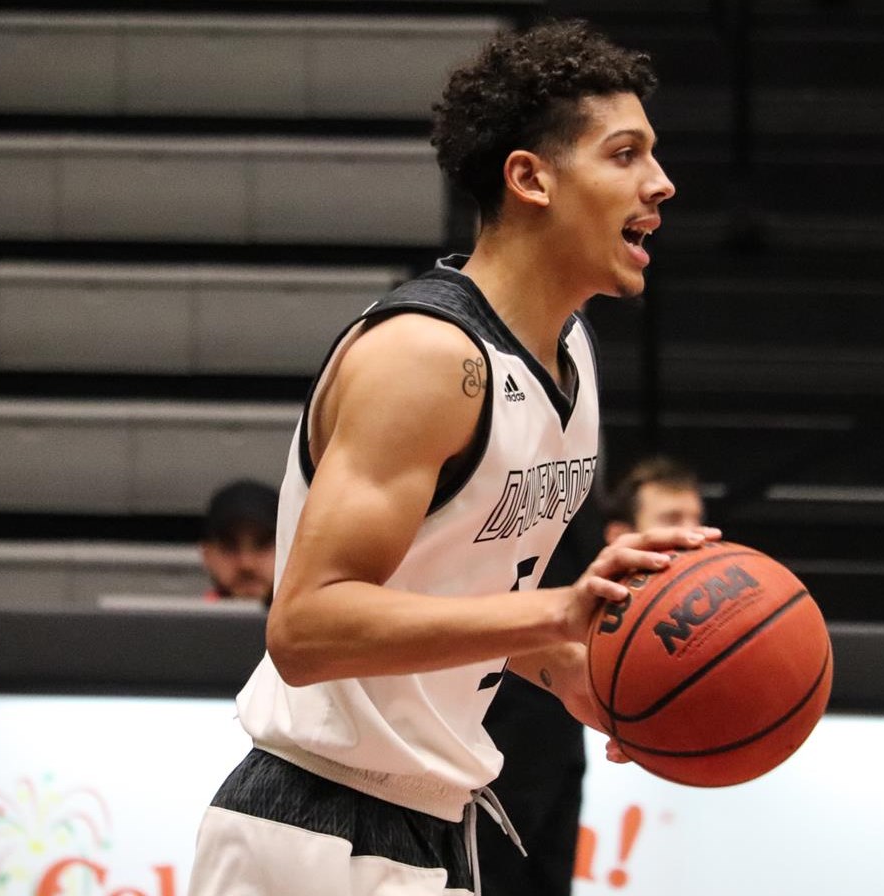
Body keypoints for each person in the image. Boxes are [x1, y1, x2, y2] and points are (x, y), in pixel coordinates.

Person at [188, 20, 707, 896]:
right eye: (625, 155)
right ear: (529, 177)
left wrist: (573, 675)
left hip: (432, 823)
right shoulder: (428, 357)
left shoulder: (570, 351)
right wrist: (553, 617)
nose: (661, 183)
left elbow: (461, 593)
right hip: (319, 829)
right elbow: (306, 629)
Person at [477, 455, 707, 896]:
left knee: (549, 872)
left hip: (563, 741)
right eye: (672, 519)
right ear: (620, 536)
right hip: (503, 734)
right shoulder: (558, 581)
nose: (689, 534)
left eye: (697, 519)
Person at [198, 478, 279, 605]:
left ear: (290, 548)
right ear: (207, 555)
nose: (247, 564)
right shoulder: (177, 624)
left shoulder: (317, 623)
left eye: (263, 544)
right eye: (229, 546)